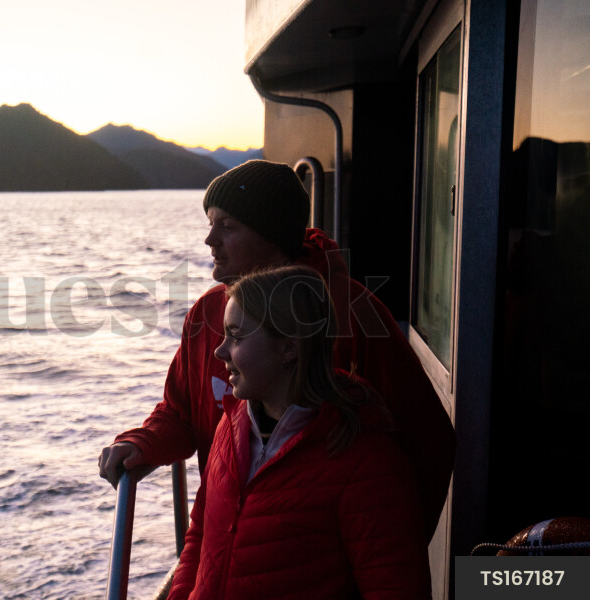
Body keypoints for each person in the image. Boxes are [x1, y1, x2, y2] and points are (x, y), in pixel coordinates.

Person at [98, 160, 454, 539]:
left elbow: (428, 440)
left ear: (273, 237)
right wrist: (143, 443)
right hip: (230, 546)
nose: (209, 240)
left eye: (228, 226)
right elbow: (181, 411)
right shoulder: (207, 313)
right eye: (210, 224)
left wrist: (392, 548)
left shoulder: (352, 314)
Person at [168, 266, 431, 599]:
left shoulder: (367, 464)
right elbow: (202, 534)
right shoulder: (231, 426)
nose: (220, 351)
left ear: (289, 348)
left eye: (236, 335)